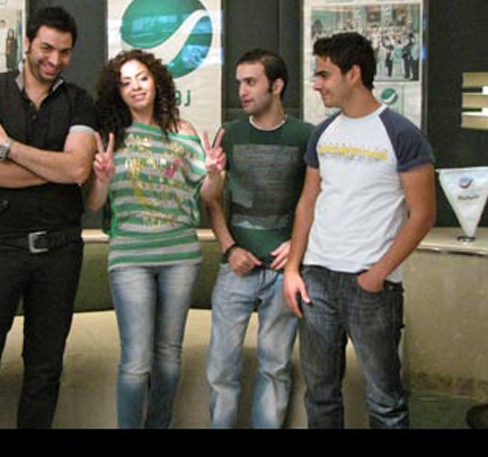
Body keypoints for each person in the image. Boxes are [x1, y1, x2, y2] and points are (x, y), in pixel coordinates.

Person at [0, 7, 97, 429]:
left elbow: (78, 170)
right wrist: (55, 168)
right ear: (28, 43)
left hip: (60, 251)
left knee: (45, 370)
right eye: (47, 48)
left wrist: (8, 147)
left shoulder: (80, 101)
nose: (55, 59)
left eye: (64, 52)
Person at [283, 32, 436, 428]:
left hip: (371, 286)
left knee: (385, 402)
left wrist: (377, 274)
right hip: (317, 280)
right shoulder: (323, 133)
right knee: (320, 395)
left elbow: (422, 215)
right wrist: (293, 269)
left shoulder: (401, 134)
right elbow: (307, 202)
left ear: (353, 73)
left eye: (324, 74)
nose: (316, 84)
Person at [87, 49, 223, 429]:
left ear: (157, 81)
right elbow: (95, 203)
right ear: (117, 92)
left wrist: (214, 173)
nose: (135, 87)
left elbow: (208, 194)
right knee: (136, 362)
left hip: (180, 256)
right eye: (125, 82)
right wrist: (101, 178)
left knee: (168, 357)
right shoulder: (111, 137)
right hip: (130, 257)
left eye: (142, 78)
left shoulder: (184, 131)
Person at [203, 49, 313, 429]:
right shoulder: (230, 134)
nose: (242, 91)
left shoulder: (306, 136)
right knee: (221, 367)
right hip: (236, 267)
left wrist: (297, 246)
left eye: (251, 82)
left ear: (276, 85)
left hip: (284, 271)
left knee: (275, 367)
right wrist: (230, 247)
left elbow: (317, 201)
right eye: (239, 83)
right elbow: (211, 200)